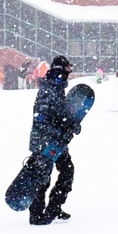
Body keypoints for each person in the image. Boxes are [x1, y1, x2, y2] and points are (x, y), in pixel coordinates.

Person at [26, 55, 82, 225]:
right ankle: (36, 214)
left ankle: (54, 207)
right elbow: (42, 117)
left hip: (57, 141)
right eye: (67, 69)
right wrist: (61, 125)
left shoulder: (56, 88)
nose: (68, 73)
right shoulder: (48, 89)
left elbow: (61, 113)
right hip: (45, 141)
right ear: (60, 70)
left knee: (66, 171)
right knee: (42, 176)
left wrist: (71, 124)